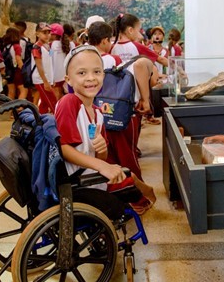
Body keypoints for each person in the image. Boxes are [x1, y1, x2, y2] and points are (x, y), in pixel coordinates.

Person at [55, 45, 155, 214]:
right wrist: (101, 165)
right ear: (68, 79)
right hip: (75, 181)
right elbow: (64, 148)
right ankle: (142, 202)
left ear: (104, 75)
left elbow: (102, 155)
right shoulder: (69, 103)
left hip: (87, 173)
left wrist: (101, 151)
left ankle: (145, 199)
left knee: (130, 176)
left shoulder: (98, 113)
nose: (90, 78)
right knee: (131, 180)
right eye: (81, 73)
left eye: (97, 72)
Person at [31, 22, 57, 113]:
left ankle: (41, 123)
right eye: (44, 32)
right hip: (41, 79)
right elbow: (39, 66)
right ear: (37, 34)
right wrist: (46, 81)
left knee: (44, 103)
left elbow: (50, 63)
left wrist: (52, 79)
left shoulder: (48, 46)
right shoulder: (36, 47)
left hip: (46, 79)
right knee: (53, 103)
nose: (47, 35)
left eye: (48, 32)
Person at [2, 26, 27, 100]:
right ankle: (19, 107)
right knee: (23, 90)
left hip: (8, 71)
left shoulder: (7, 47)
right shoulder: (17, 46)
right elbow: (18, 59)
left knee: (11, 91)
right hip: (17, 71)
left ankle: (9, 109)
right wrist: (23, 70)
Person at [49, 23, 72, 100]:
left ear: (54, 35)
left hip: (56, 75)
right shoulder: (68, 43)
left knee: (57, 96)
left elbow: (50, 57)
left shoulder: (53, 44)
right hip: (66, 73)